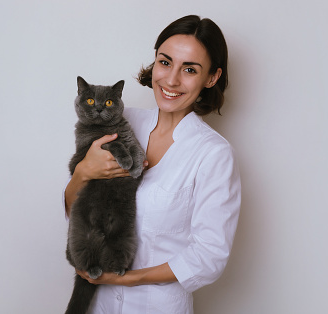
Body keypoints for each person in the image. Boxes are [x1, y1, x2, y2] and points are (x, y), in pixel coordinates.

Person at [64, 15, 241, 314]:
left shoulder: (213, 154)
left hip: (155, 305)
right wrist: (82, 172)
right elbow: (76, 211)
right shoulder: (120, 121)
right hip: (99, 304)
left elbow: (209, 255)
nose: (171, 80)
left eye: (189, 69)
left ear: (211, 78)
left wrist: (130, 279)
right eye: (165, 62)